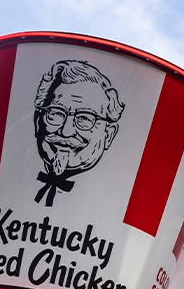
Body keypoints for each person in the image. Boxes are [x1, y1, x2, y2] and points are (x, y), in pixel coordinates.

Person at [32, 59, 125, 206]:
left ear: (109, 134)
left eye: (84, 118)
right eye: (56, 113)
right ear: (38, 121)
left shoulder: (114, 202)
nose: (66, 131)